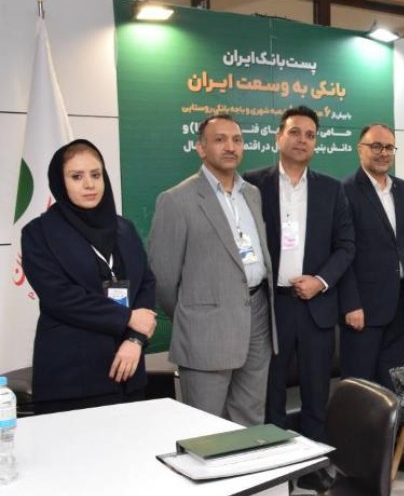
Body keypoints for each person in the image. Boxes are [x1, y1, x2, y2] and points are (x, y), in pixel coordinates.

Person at [149, 114, 274, 425]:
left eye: (237, 140)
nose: (230, 147)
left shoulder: (252, 193)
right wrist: (194, 314)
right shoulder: (176, 200)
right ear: (201, 148)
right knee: (206, 427)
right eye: (220, 140)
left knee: (250, 419)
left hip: (257, 316)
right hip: (205, 328)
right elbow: (163, 278)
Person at [244, 106, 355, 452]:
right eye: (294, 132)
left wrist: (320, 280)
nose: (302, 140)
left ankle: (312, 466)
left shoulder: (331, 189)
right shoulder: (251, 184)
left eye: (310, 135)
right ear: (278, 137)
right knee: (271, 393)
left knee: (316, 394)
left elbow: (346, 245)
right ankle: (275, 464)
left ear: (315, 143)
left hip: (316, 306)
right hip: (270, 307)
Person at [21, 139, 157, 414]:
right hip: (72, 379)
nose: (89, 185)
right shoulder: (39, 233)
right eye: (76, 177)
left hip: (128, 371)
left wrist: (135, 340)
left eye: (96, 175)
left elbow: (146, 283)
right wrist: (126, 318)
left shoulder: (124, 228)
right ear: (60, 182)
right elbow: (60, 297)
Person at [339, 123, 404, 471]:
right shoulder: (345, 191)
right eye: (376, 146)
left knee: (390, 385)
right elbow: (344, 251)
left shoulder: (403, 189)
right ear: (360, 149)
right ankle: (356, 462)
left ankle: (389, 456)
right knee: (361, 388)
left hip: (398, 304)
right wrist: (350, 303)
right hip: (363, 309)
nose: (383, 153)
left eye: (388, 147)